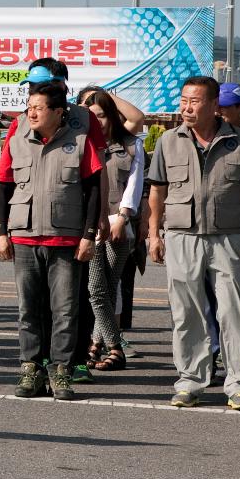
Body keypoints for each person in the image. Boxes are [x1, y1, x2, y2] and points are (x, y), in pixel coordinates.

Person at [146, 76, 240, 410]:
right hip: (182, 235)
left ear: (213, 106)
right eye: (183, 100)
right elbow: (157, 190)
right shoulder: (168, 141)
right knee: (186, 313)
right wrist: (153, 233)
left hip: (229, 236)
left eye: (194, 101)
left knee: (233, 313)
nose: (186, 107)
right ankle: (190, 381)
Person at [0, 82, 103, 402]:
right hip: (25, 236)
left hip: (66, 238)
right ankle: (31, 368)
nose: (31, 113)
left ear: (58, 112)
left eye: (38, 108)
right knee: (28, 309)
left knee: (65, 310)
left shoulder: (79, 140)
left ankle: (61, 371)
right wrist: (1, 232)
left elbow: (94, 189)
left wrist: (88, 235)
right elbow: (2, 187)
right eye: (29, 107)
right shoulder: (16, 138)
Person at [81, 90, 144, 372]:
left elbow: (135, 182)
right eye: (92, 116)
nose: (98, 121)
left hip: (120, 224)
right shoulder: (83, 143)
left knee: (106, 287)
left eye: (103, 115)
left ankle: (99, 345)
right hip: (92, 224)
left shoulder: (129, 144)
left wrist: (123, 216)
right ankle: (112, 346)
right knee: (97, 288)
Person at [217, 84, 240, 347]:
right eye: (215, 105)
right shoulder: (204, 139)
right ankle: (215, 353)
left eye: (224, 106)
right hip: (218, 230)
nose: (218, 111)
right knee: (214, 299)